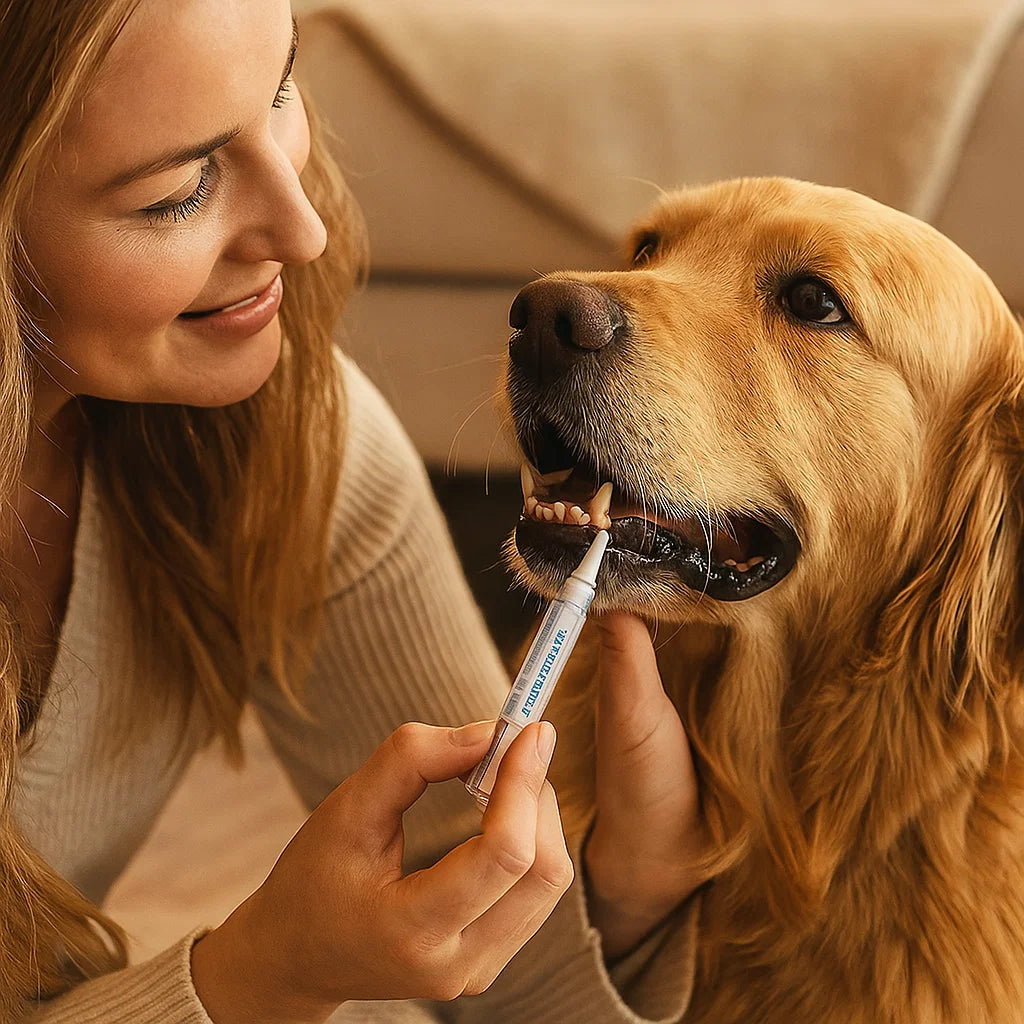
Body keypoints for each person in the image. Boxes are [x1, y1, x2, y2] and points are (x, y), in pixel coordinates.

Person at [1, 0, 705, 1020]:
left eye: (281, 87)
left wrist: (631, 885)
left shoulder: (288, 433)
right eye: (177, 190)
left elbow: (518, 982)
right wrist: (263, 972)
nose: (304, 226)